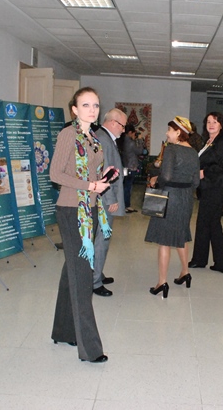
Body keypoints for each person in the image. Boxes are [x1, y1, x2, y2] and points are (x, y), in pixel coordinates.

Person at [50, 86, 116, 363]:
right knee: (82, 277)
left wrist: (103, 176)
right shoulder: (69, 134)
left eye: (96, 105)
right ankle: (90, 349)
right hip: (72, 210)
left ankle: (63, 330)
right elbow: (55, 174)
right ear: (74, 110)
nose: (92, 110)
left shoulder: (93, 137)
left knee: (73, 270)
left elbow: (88, 171)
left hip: (90, 209)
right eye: (86, 105)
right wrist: (90, 185)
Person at [145, 117, 200, 297]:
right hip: (186, 198)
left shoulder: (171, 149)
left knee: (164, 241)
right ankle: (185, 272)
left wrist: (155, 179)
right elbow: (196, 181)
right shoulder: (193, 152)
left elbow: (166, 176)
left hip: (170, 197)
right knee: (181, 235)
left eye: (169, 130)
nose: (167, 133)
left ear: (178, 132)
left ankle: (162, 282)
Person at [189, 112, 223, 273]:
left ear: (221, 124)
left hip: (217, 187)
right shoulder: (208, 141)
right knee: (209, 223)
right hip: (208, 186)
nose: (211, 125)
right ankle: (214, 262)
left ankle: (204, 260)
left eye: (215, 121)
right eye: (208, 122)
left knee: (208, 222)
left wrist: (204, 172)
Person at [92, 108, 128, 297]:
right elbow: (104, 172)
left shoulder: (105, 138)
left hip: (103, 197)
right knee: (101, 240)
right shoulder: (104, 140)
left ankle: (98, 272)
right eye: (122, 126)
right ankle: (94, 281)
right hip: (105, 199)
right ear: (113, 123)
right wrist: (111, 199)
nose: (124, 130)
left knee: (102, 239)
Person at [121, 125, 146, 213]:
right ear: (130, 133)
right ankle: (127, 206)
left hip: (125, 166)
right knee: (128, 187)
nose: (135, 135)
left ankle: (124, 205)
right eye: (134, 133)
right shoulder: (130, 143)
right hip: (131, 167)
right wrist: (140, 140)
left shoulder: (122, 141)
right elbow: (140, 151)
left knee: (125, 186)